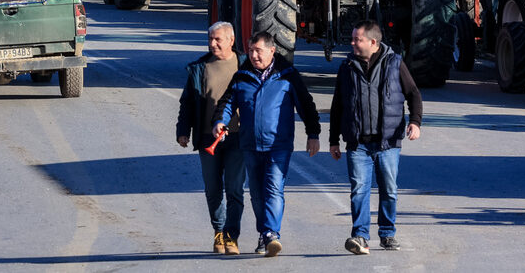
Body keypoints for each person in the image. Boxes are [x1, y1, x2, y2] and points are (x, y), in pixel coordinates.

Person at [215, 32, 320, 258]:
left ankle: (272, 233)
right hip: (250, 145)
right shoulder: (242, 76)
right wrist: (220, 121)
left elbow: (306, 104)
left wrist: (313, 133)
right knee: (256, 193)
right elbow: (227, 102)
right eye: (251, 51)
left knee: (273, 189)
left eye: (258, 51)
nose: (253, 55)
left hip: (278, 145)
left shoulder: (287, 75)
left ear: (272, 51)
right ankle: (265, 235)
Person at [330, 20, 423, 256]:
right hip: (357, 143)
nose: (352, 43)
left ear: (373, 42)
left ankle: (387, 233)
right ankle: (360, 235)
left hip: (388, 142)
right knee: (359, 189)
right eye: (352, 39)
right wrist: (333, 140)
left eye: (356, 40)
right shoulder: (347, 67)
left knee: (388, 189)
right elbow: (337, 106)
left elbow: (413, 94)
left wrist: (415, 122)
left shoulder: (395, 63)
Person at [177, 22, 246, 256]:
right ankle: (218, 231)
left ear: (231, 40)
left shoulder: (245, 65)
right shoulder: (200, 67)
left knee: (235, 189)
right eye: (210, 39)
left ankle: (231, 236)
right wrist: (183, 130)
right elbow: (187, 101)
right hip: (208, 138)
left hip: (238, 138)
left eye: (218, 39)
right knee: (213, 188)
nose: (213, 43)